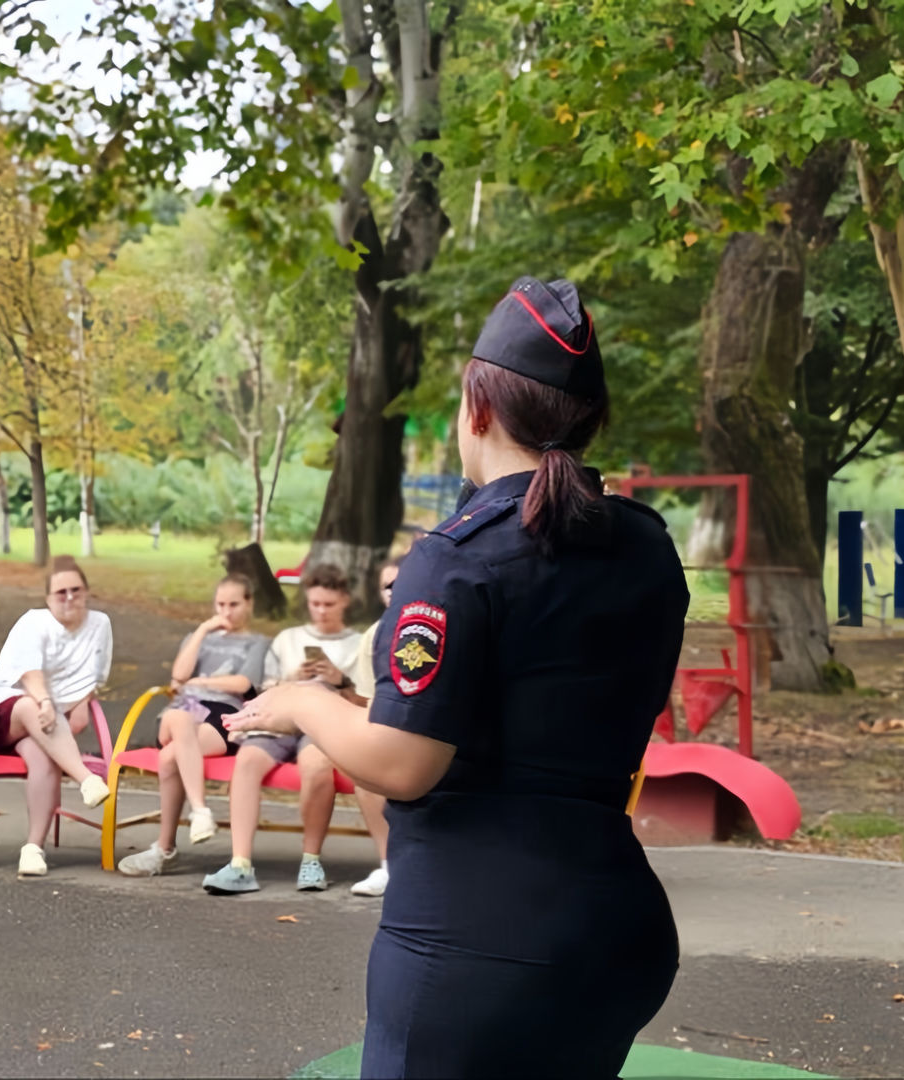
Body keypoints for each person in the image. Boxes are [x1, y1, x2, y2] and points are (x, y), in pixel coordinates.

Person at [226, 276, 686, 1077]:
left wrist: (303, 700)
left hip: (476, 943)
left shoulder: (456, 557)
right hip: (617, 924)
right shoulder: (644, 544)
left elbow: (405, 767)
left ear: (478, 408)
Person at [200, 563, 362, 895]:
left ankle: (311, 859)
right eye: (314, 603)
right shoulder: (289, 639)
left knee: (317, 767)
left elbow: (363, 703)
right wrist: (293, 682)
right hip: (279, 722)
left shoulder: (358, 645)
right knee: (247, 761)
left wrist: (339, 680)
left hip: (325, 724)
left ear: (344, 600)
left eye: (328, 604)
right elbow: (265, 691)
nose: (320, 611)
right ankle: (240, 864)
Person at [116, 575, 269, 878]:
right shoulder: (199, 637)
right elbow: (179, 675)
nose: (226, 612)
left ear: (249, 604)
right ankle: (200, 810)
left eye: (234, 604)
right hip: (184, 709)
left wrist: (202, 681)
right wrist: (201, 630)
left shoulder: (259, 643)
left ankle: (164, 849)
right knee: (180, 718)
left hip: (225, 712)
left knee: (169, 757)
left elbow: (242, 683)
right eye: (220, 604)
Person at [0, 556, 113, 877]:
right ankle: (86, 779)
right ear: (47, 598)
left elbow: (93, 675)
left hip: (45, 725)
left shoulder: (100, 625)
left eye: (76, 590)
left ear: (87, 592)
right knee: (28, 705)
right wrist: (44, 702)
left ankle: (33, 848)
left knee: (43, 759)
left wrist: (82, 701)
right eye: (61, 592)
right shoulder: (34, 622)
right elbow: (29, 675)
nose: (69, 598)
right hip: (1, 714)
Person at [337, 556, 401, 898]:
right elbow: (366, 699)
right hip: (392, 730)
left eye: (399, 583)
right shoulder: (375, 635)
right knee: (366, 775)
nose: (393, 592)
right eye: (386, 587)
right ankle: (389, 864)